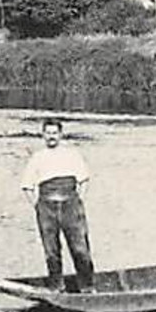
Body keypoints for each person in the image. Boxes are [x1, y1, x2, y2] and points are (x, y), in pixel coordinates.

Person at [20, 118, 95, 292]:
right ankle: (56, 287)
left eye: (55, 133)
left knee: (80, 248)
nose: (51, 137)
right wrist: (37, 206)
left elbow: (84, 180)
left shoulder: (72, 155)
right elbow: (26, 186)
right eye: (48, 133)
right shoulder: (37, 158)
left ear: (60, 135)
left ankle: (88, 288)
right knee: (51, 251)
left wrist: (78, 200)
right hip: (46, 206)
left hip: (71, 204)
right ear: (43, 135)